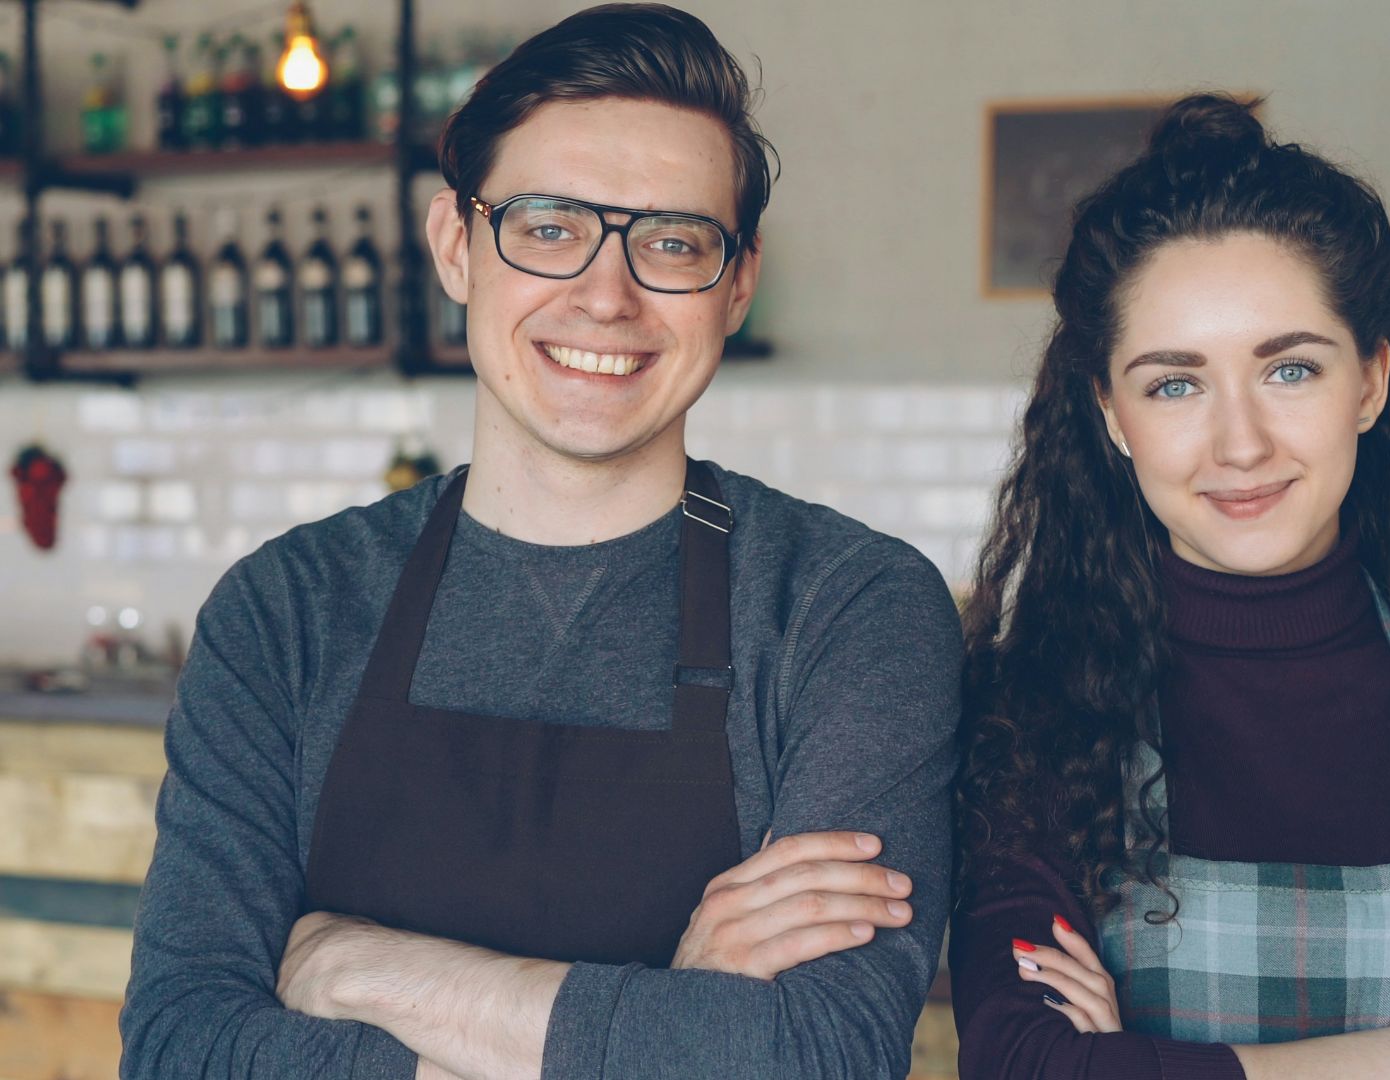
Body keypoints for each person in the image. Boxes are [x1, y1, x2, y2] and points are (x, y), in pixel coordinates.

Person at [119, 6, 959, 1078]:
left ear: (736, 284)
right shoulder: (286, 609)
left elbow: (820, 1059)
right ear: (456, 248)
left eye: (671, 242)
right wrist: (673, 1017)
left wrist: (364, 972)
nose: (606, 298)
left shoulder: (850, 608)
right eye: (550, 227)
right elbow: (181, 1048)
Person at [950, 93, 1390, 1080]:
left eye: (1289, 370)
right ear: (1112, 416)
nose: (1241, 442)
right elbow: (1028, 1068)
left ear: (1372, 382)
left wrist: (1154, 1061)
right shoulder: (1030, 722)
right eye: (1176, 383)